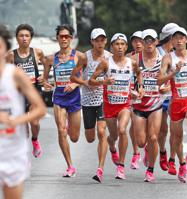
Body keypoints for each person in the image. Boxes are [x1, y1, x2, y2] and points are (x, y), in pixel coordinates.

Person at [0, 25, 46, 199]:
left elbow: (41, 108)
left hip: (10, 151)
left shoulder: (15, 75)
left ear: (5, 48)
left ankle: (33, 142)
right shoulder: (14, 57)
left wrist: (15, 120)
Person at [89, 33, 143, 179]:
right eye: (117, 44)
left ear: (126, 47)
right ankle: (112, 147)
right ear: (112, 47)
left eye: (122, 44)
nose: (120, 47)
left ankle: (121, 166)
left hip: (124, 105)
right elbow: (91, 80)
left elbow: (139, 74)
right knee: (113, 136)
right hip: (109, 105)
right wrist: (103, 82)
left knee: (122, 130)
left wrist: (139, 88)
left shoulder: (131, 62)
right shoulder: (106, 63)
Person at [158, 26, 187, 183]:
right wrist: (174, 73)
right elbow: (159, 81)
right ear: (172, 41)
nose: (179, 40)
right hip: (176, 102)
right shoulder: (168, 58)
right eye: (176, 38)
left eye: (182, 37)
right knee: (176, 137)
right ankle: (182, 164)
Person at [70, 28, 110, 183]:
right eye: (97, 40)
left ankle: (100, 169)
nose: (100, 43)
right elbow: (73, 76)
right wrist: (85, 82)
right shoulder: (85, 57)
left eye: (102, 40)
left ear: (105, 41)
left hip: (103, 99)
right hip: (87, 100)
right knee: (90, 137)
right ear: (92, 41)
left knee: (102, 132)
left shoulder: (109, 57)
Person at [43, 24, 82, 177]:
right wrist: (46, 84)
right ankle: (70, 166)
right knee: (61, 130)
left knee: (74, 137)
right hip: (59, 97)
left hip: (74, 98)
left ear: (71, 38)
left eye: (67, 36)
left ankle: (69, 129)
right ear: (57, 38)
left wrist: (74, 83)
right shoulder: (51, 59)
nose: (64, 39)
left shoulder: (78, 56)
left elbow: (83, 77)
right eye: (61, 36)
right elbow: (45, 79)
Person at [6, 24, 46, 158]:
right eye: (21, 36)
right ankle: (24, 153)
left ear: (31, 38)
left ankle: (35, 140)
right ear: (17, 38)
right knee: (23, 129)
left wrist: (44, 77)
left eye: (27, 36)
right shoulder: (11, 55)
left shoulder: (37, 52)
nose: (24, 38)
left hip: (34, 92)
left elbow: (47, 63)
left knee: (34, 122)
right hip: (18, 94)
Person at [132, 29, 163, 182]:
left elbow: (172, 80)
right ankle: (145, 150)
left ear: (157, 41)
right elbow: (125, 80)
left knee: (153, 137)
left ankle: (150, 170)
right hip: (138, 105)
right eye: (146, 41)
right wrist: (132, 91)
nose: (149, 43)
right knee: (141, 141)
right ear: (142, 43)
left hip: (156, 104)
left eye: (152, 40)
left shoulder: (164, 59)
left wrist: (167, 87)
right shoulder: (133, 59)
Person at [157, 23, 179, 175]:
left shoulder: (178, 54)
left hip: (173, 96)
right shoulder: (156, 53)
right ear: (170, 38)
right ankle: (162, 151)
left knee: (174, 129)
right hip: (157, 95)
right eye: (175, 38)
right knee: (163, 130)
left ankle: (172, 161)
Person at [127, 31, 144, 169]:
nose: (138, 44)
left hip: (150, 95)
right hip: (133, 96)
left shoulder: (156, 56)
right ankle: (135, 153)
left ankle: (147, 150)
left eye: (141, 41)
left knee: (149, 128)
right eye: (135, 41)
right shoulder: (128, 58)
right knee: (133, 123)